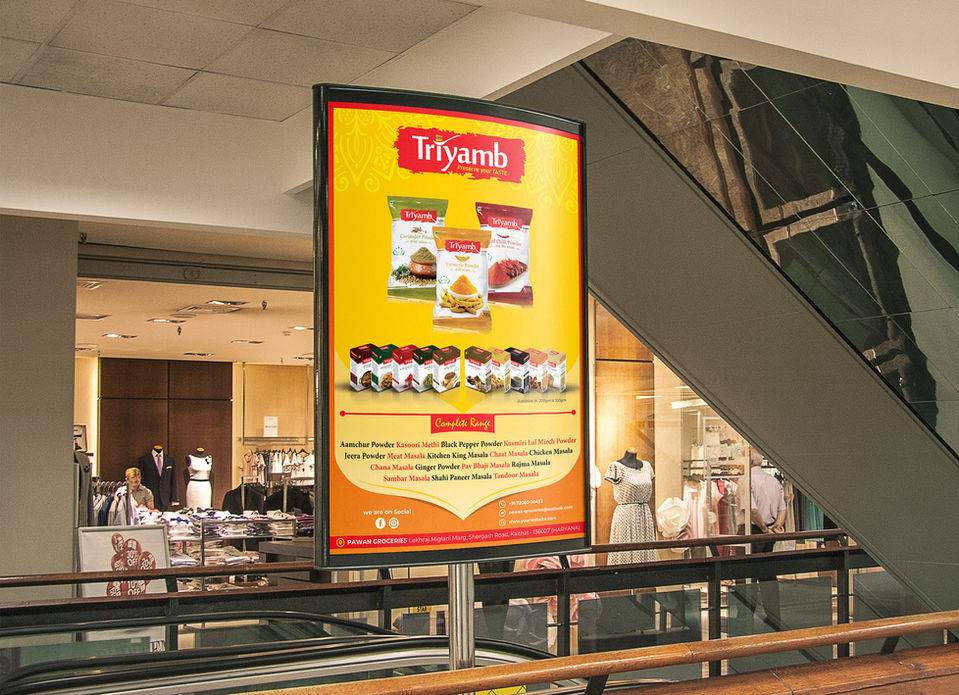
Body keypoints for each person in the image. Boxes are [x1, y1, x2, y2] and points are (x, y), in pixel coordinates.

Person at [737, 448, 786, 626]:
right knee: (767, 574)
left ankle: (744, 616)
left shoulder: (746, 481)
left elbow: (753, 510)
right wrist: (776, 526)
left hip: (752, 530)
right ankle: (774, 616)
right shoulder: (773, 481)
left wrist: (765, 529)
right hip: (769, 531)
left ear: (748, 462)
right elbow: (783, 508)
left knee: (744, 574)